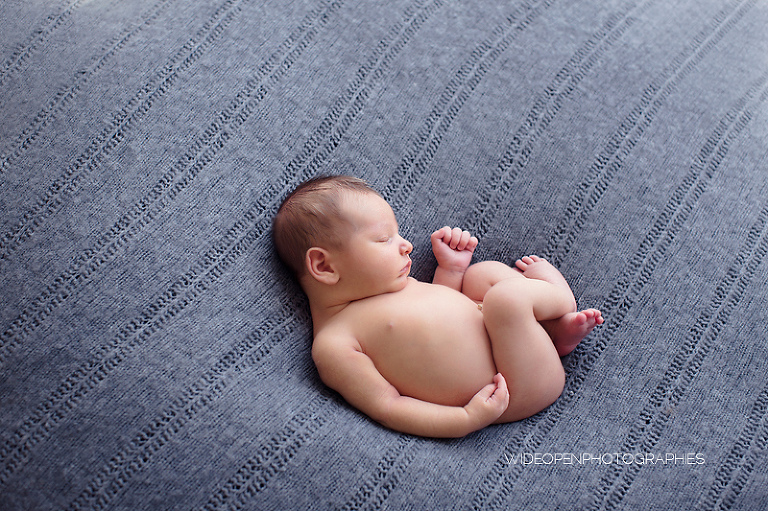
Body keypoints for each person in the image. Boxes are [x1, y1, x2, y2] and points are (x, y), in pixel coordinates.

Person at [273, 175, 603, 438]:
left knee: (482, 274)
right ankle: (558, 297)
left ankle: (553, 331)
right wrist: (465, 418)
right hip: (516, 388)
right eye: (384, 239)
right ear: (324, 266)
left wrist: (452, 271)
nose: (406, 245)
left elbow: (445, 312)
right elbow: (388, 406)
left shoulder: (390, 286)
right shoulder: (335, 344)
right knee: (506, 299)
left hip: (514, 343)